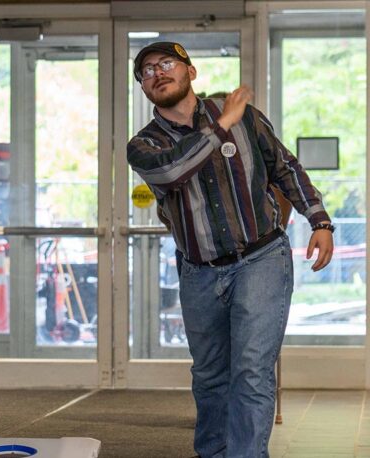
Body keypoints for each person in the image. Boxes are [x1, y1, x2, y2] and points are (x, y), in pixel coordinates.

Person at [127, 42, 334, 458]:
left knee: (252, 372)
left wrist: (320, 220)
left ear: (191, 72)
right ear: (144, 88)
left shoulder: (243, 118)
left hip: (261, 258)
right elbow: (173, 171)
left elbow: (285, 166)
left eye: (167, 64)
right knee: (210, 377)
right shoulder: (144, 145)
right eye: (146, 70)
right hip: (198, 270)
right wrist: (221, 126)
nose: (157, 73)